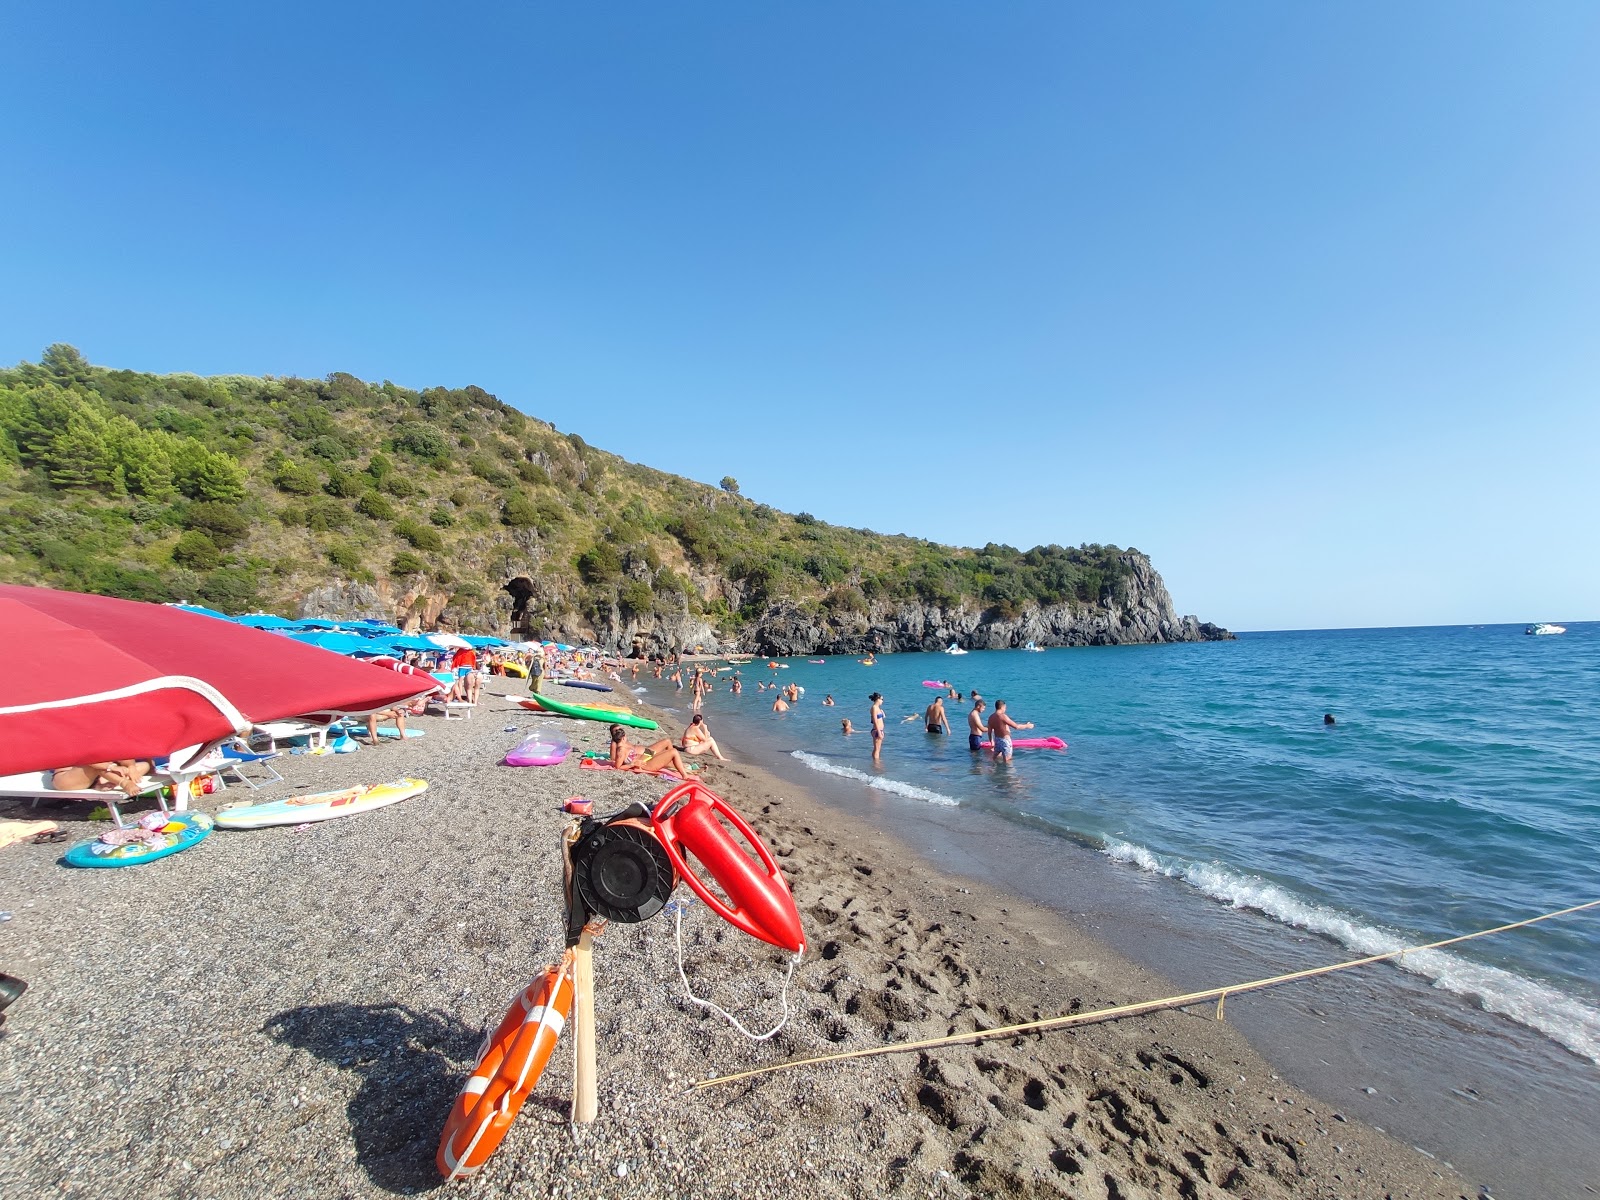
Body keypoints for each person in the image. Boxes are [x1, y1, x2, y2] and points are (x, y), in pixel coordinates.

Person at [608, 725, 692, 777]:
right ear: (623, 738)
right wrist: (632, 764)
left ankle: (676, 765)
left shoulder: (622, 747)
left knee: (667, 743)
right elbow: (617, 767)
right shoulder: (621, 750)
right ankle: (684, 775)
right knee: (673, 751)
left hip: (645, 756)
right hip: (646, 763)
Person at [51, 760, 154, 795]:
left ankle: (102, 782)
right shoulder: (79, 735)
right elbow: (90, 761)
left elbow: (125, 754)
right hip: (66, 779)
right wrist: (112, 767)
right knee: (95, 765)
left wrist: (131, 767)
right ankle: (124, 783)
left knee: (144, 765)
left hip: (94, 775)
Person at [869, 692, 885, 761]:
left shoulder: (878, 708)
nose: (882, 701)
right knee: (877, 749)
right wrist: (879, 732)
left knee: (878, 749)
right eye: (882, 699)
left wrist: (882, 713)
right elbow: (875, 721)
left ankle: (874, 762)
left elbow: (881, 718)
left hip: (879, 730)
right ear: (878, 699)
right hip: (876, 730)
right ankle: (876, 764)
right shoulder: (874, 708)